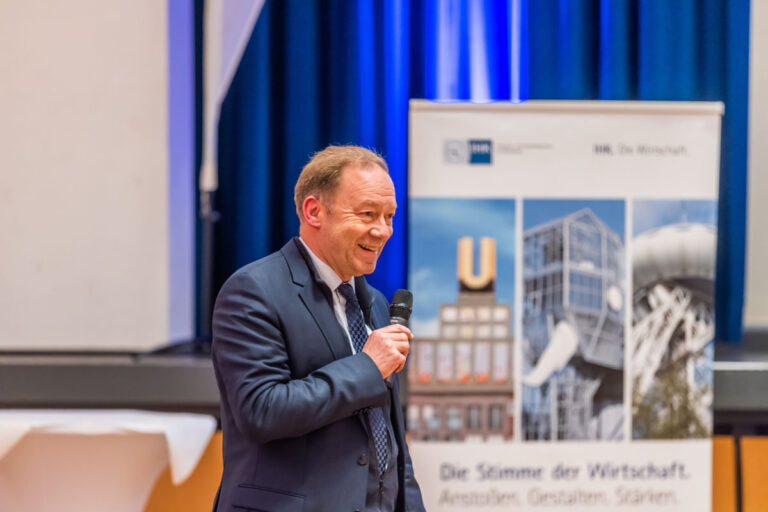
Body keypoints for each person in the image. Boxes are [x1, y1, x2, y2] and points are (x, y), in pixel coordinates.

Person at [211, 145, 426, 512]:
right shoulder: (253, 291)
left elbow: (388, 443)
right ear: (314, 211)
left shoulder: (373, 301)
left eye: (389, 216)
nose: (382, 230)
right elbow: (263, 410)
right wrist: (367, 367)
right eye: (368, 214)